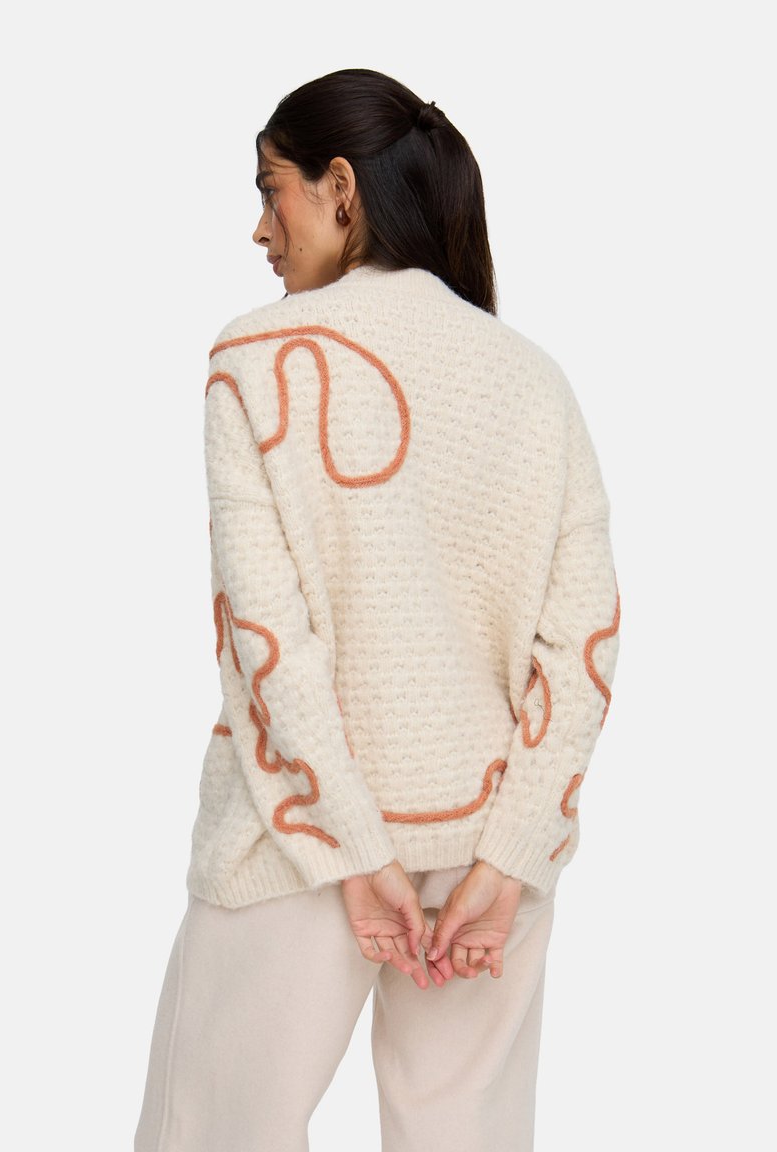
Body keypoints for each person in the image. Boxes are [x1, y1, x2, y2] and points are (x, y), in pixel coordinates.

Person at [133, 67, 620, 1152]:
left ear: (341, 189)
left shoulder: (255, 360)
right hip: (485, 856)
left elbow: (270, 643)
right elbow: (582, 647)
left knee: (211, 1133)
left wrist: (356, 850)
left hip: (295, 839)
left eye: (272, 190)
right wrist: (511, 859)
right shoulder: (532, 380)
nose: (260, 229)